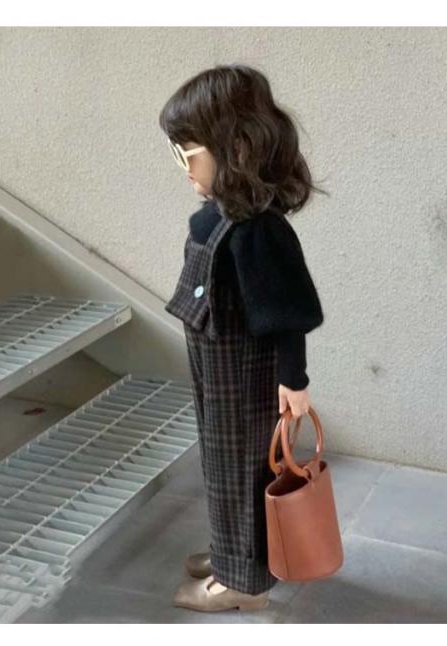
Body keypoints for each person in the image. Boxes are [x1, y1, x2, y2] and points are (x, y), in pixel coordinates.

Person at [158, 64, 327, 612]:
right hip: (214, 369)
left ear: (236, 150)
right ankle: (233, 554)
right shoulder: (220, 217)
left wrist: (293, 379)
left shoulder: (259, 230)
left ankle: (242, 583)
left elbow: (287, 312)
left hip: (245, 377)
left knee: (243, 469)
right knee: (220, 465)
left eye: (189, 154)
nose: (184, 167)